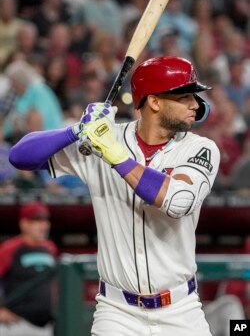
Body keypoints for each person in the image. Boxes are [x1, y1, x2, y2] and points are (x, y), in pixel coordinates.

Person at [9, 56, 220, 335]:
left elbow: (178, 201)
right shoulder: (104, 138)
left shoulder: (199, 149)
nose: (196, 104)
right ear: (154, 102)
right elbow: (20, 156)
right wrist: (76, 130)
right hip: (117, 312)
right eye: (184, 96)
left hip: (180, 310)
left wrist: (115, 155)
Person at [0, 202, 57, 336]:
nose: (43, 225)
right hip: (16, 325)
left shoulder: (50, 248)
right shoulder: (10, 248)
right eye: (36, 221)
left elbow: (53, 283)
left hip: (45, 325)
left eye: (45, 220)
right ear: (24, 223)